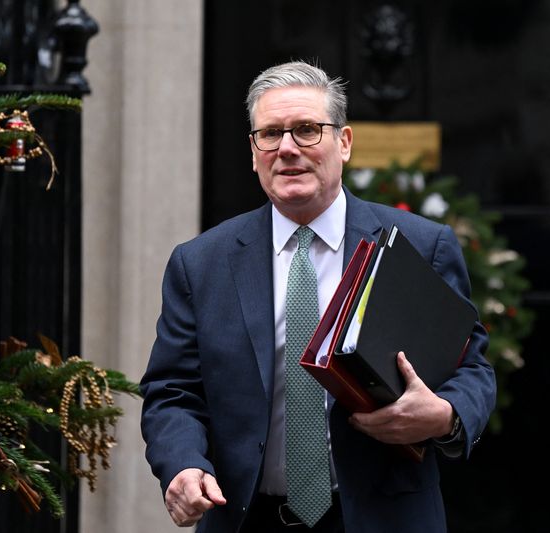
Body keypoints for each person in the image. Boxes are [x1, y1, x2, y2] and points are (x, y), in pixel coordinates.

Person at [140, 60, 496, 533]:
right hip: (248, 518)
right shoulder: (201, 263)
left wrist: (444, 416)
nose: (287, 148)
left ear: (344, 143)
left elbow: (471, 367)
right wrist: (183, 464)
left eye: (307, 130)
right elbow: (171, 392)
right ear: (253, 151)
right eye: (270, 134)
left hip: (381, 517)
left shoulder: (419, 244)